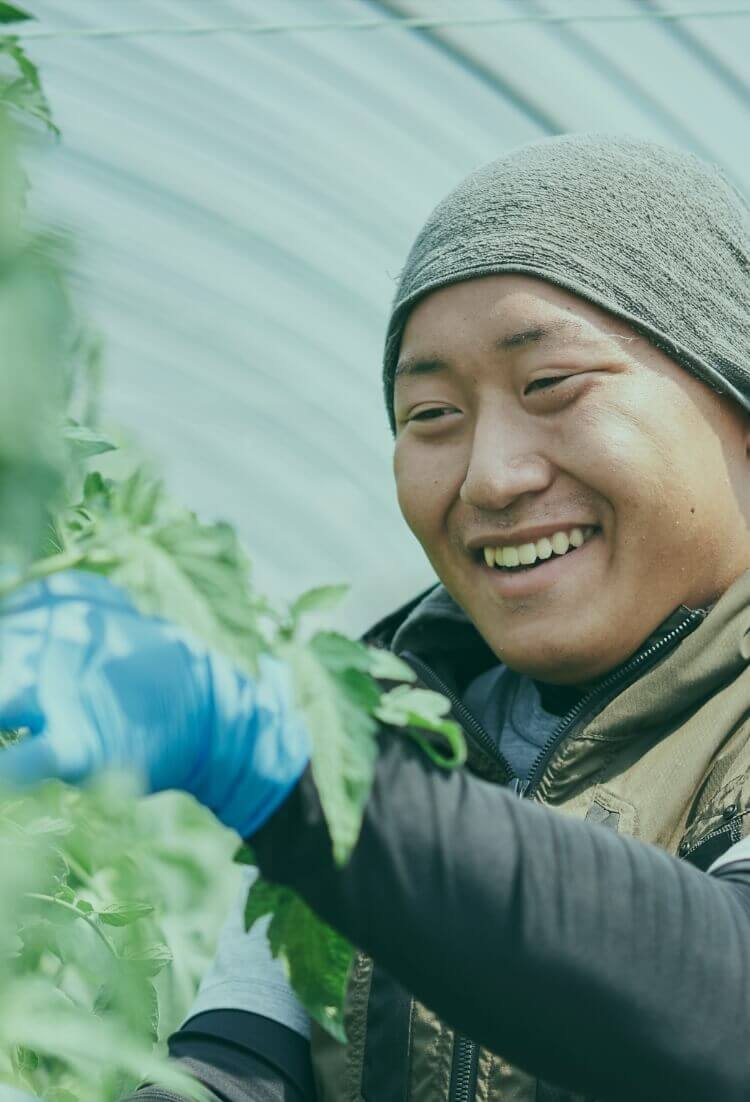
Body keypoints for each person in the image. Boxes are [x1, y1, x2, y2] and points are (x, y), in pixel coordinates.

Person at [2, 132, 750, 1102]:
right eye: (431, 414)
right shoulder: (386, 707)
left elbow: (726, 1006)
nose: (491, 475)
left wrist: (302, 776)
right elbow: (243, 1065)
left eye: (551, 385)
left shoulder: (327, 762)